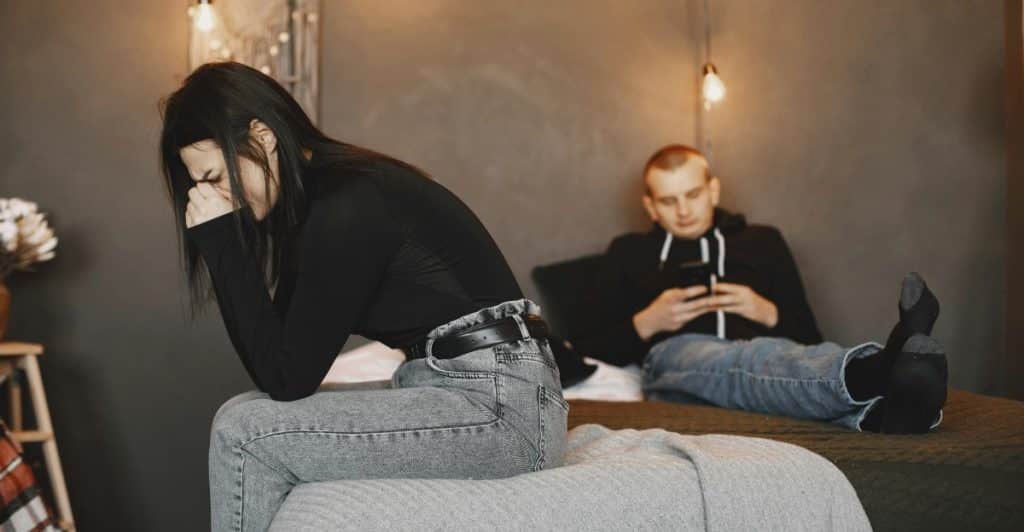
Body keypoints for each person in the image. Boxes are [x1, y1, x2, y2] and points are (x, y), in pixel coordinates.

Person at [159, 62, 567, 532]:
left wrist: (223, 244)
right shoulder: (318, 206)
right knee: (240, 412)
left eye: (213, 175)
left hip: (504, 411)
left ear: (262, 135)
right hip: (459, 388)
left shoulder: (347, 205)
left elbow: (287, 378)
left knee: (244, 433)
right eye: (199, 185)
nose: (210, 195)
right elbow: (279, 362)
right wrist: (228, 239)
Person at [571, 144, 947, 434]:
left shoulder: (762, 241)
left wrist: (766, 312)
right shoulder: (629, 251)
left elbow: (809, 338)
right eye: (669, 201)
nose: (683, 210)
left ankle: (887, 417)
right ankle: (878, 368)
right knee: (739, 363)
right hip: (675, 359)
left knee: (770, 365)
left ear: (713, 190)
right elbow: (582, 349)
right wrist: (646, 323)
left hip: (770, 352)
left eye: (694, 194)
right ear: (650, 206)